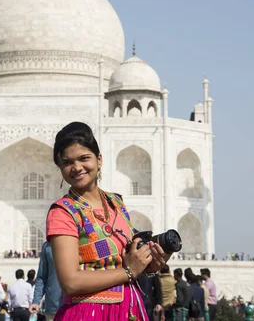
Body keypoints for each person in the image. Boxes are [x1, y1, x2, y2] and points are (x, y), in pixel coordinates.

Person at [46, 122, 169, 320]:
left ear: (99, 160)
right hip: (89, 313)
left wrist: (150, 264)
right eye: (67, 162)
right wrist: (129, 271)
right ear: (60, 168)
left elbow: (123, 262)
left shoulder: (116, 203)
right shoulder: (63, 212)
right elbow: (70, 281)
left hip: (130, 309)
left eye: (84, 158)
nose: (77, 167)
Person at [29, 241, 62, 321]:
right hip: (53, 308)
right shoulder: (47, 245)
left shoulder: (82, 239)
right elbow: (42, 277)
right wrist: (36, 301)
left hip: (78, 306)